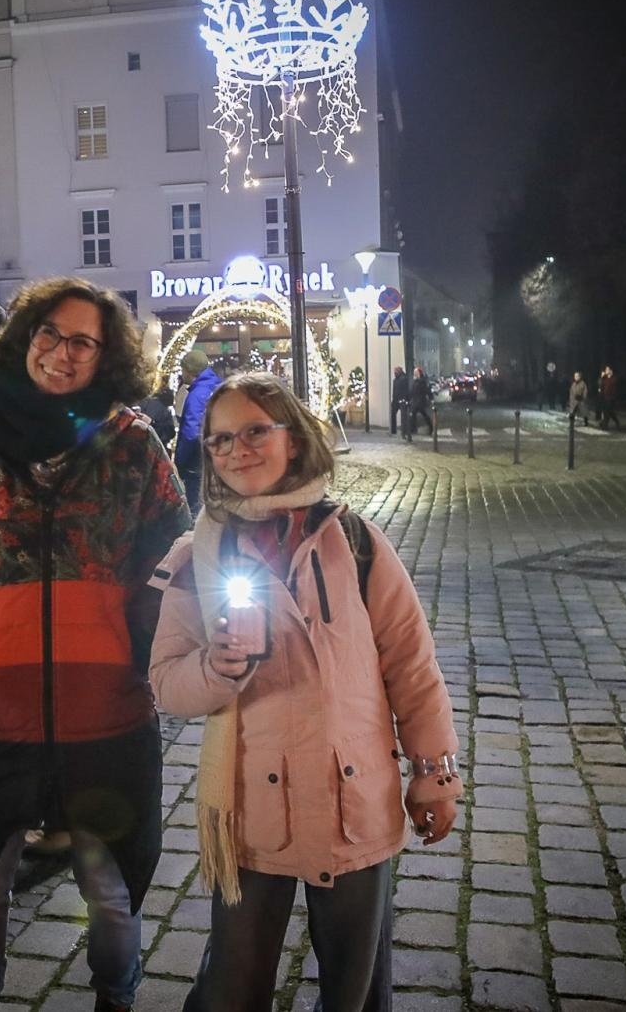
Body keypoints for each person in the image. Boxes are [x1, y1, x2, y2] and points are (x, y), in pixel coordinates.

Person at [0, 277, 191, 1012]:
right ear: (24, 336)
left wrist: (146, 648)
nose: (61, 353)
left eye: (83, 342)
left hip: (110, 716)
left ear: (106, 359)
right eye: (49, 334)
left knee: (113, 891)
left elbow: (176, 557)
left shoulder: (133, 447)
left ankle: (116, 1000)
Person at [148, 372, 460, 1012]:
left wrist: (434, 771)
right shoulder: (193, 557)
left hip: (354, 794)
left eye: (256, 430)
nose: (237, 449)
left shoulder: (357, 543)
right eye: (220, 439)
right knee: (233, 985)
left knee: (355, 990)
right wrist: (218, 668)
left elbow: (411, 666)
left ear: (295, 438)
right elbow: (166, 684)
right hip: (249, 809)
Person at [175, 349, 221, 514]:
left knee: (195, 507)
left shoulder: (197, 395)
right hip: (216, 457)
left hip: (196, 461)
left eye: (183, 370)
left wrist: (180, 461)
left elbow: (191, 432)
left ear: (190, 370)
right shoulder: (218, 386)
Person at [136, 382, 177, 449]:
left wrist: (152, 423)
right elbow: (169, 433)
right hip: (151, 448)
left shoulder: (161, 406)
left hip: (149, 447)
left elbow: (169, 432)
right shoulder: (162, 407)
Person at [409, 366, 434, 436]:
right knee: (413, 415)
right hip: (415, 401)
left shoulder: (422, 381)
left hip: (420, 401)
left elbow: (427, 390)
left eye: (416, 373)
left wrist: (431, 398)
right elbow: (412, 391)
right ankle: (412, 429)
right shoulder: (415, 381)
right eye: (414, 373)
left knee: (424, 415)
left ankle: (430, 428)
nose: (414, 374)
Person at [598, 365, 622, 429]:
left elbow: (614, 385)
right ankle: (616, 422)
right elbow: (600, 385)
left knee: (607, 411)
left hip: (611, 398)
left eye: (607, 370)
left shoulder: (614, 378)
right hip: (605, 397)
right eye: (606, 370)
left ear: (611, 371)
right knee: (609, 412)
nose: (606, 371)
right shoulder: (604, 378)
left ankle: (605, 425)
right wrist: (602, 377)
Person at [389, 365, 410, 437]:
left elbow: (405, 390)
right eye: (395, 371)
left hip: (401, 400)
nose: (395, 373)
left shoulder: (403, 379)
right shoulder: (396, 380)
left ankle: (405, 431)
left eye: (396, 371)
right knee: (393, 414)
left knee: (403, 416)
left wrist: (404, 399)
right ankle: (393, 430)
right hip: (396, 400)